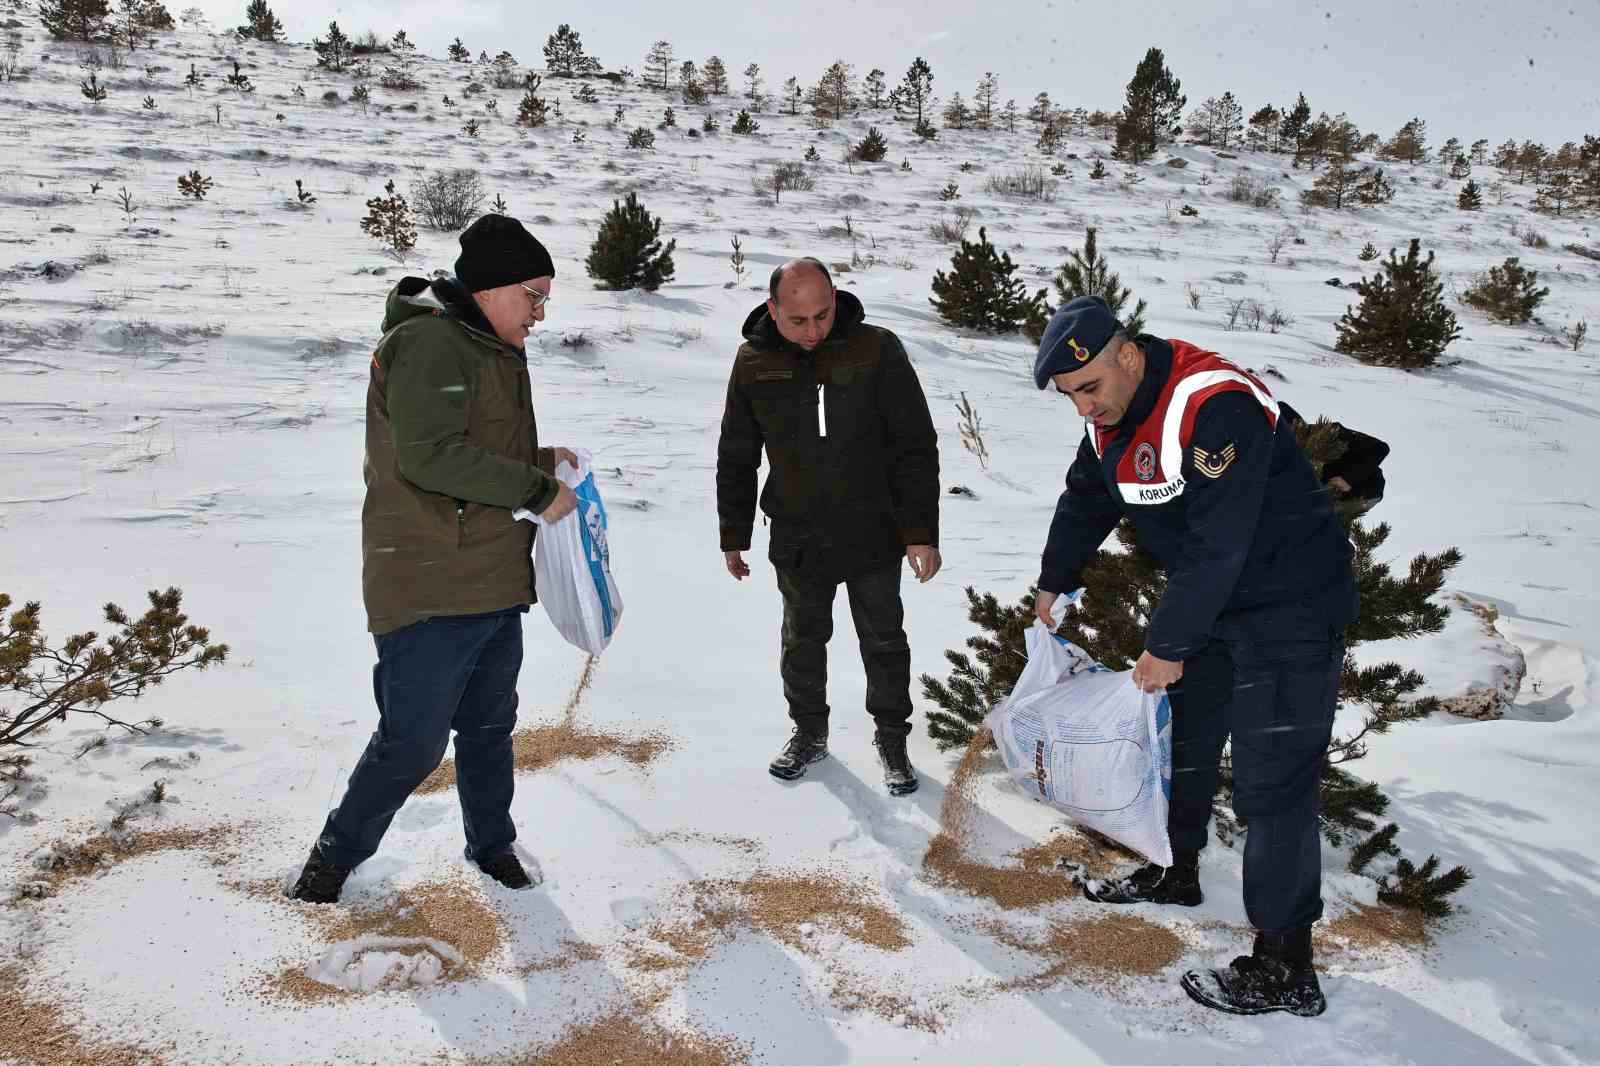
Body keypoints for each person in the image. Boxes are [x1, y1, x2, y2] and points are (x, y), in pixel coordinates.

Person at [1031, 295, 1357, 1017]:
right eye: (1069, 397)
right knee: (1179, 741)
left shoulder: (1214, 405)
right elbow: (1087, 497)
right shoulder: (1109, 421)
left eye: (1089, 388)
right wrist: (1055, 577)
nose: (1083, 408)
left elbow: (1222, 540)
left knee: (1273, 784)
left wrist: (1166, 645)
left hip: (1291, 606)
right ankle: (1173, 869)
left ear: (1127, 354)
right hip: (1216, 602)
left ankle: (1285, 965)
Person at [289, 214, 579, 904]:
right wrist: (537, 489)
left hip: (490, 579)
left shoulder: (483, 347)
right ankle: (334, 857)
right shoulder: (429, 343)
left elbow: (472, 446)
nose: (541, 313)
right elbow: (429, 456)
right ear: (490, 289)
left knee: (488, 729)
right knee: (413, 743)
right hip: (428, 585)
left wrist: (543, 461)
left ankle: (493, 846)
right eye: (534, 295)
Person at [717, 259, 941, 796]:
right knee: (802, 638)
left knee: (884, 640)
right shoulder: (753, 362)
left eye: (823, 315)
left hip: (874, 530)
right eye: (798, 320)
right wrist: (734, 534)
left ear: (836, 300)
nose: (813, 330)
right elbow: (737, 453)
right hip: (797, 535)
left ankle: (891, 739)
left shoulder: (877, 349)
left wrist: (920, 531)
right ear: (773, 310)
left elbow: (915, 445)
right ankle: (809, 733)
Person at [1279, 402, 1390, 513]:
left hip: (1366, 490)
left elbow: (1380, 448)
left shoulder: (1329, 433)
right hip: (1328, 496)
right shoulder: (1285, 455)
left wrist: (1347, 479)